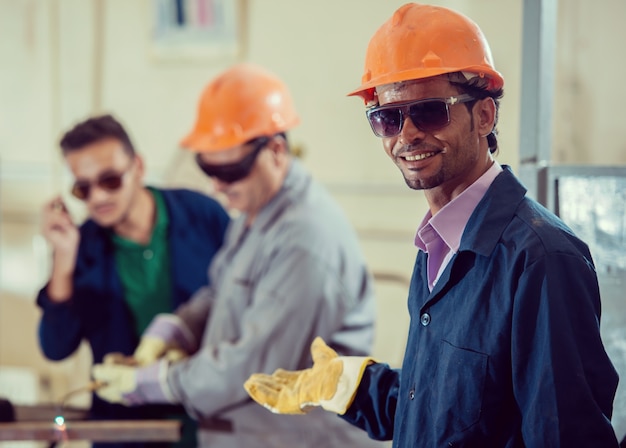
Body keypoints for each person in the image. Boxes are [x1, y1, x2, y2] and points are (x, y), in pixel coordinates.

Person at [243, 3, 620, 447]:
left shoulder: (541, 259)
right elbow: (448, 411)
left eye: (429, 112)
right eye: (387, 117)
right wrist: (351, 387)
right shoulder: (436, 247)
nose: (406, 136)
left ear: (485, 115)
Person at [89, 63, 387, 448]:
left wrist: (154, 382)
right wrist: (174, 329)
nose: (216, 186)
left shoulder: (304, 240)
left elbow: (254, 367)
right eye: (207, 168)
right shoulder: (257, 210)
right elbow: (221, 290)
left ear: (276, 151)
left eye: (230, 171)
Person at [37, 114, 230, 448]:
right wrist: (64, 260)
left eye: (110, 180)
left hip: (206, 420)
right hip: (124, 431)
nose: (97, 198)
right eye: (83, 188)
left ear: (138, 166)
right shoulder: (83, 247)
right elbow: (55, 347)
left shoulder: (203, 215)